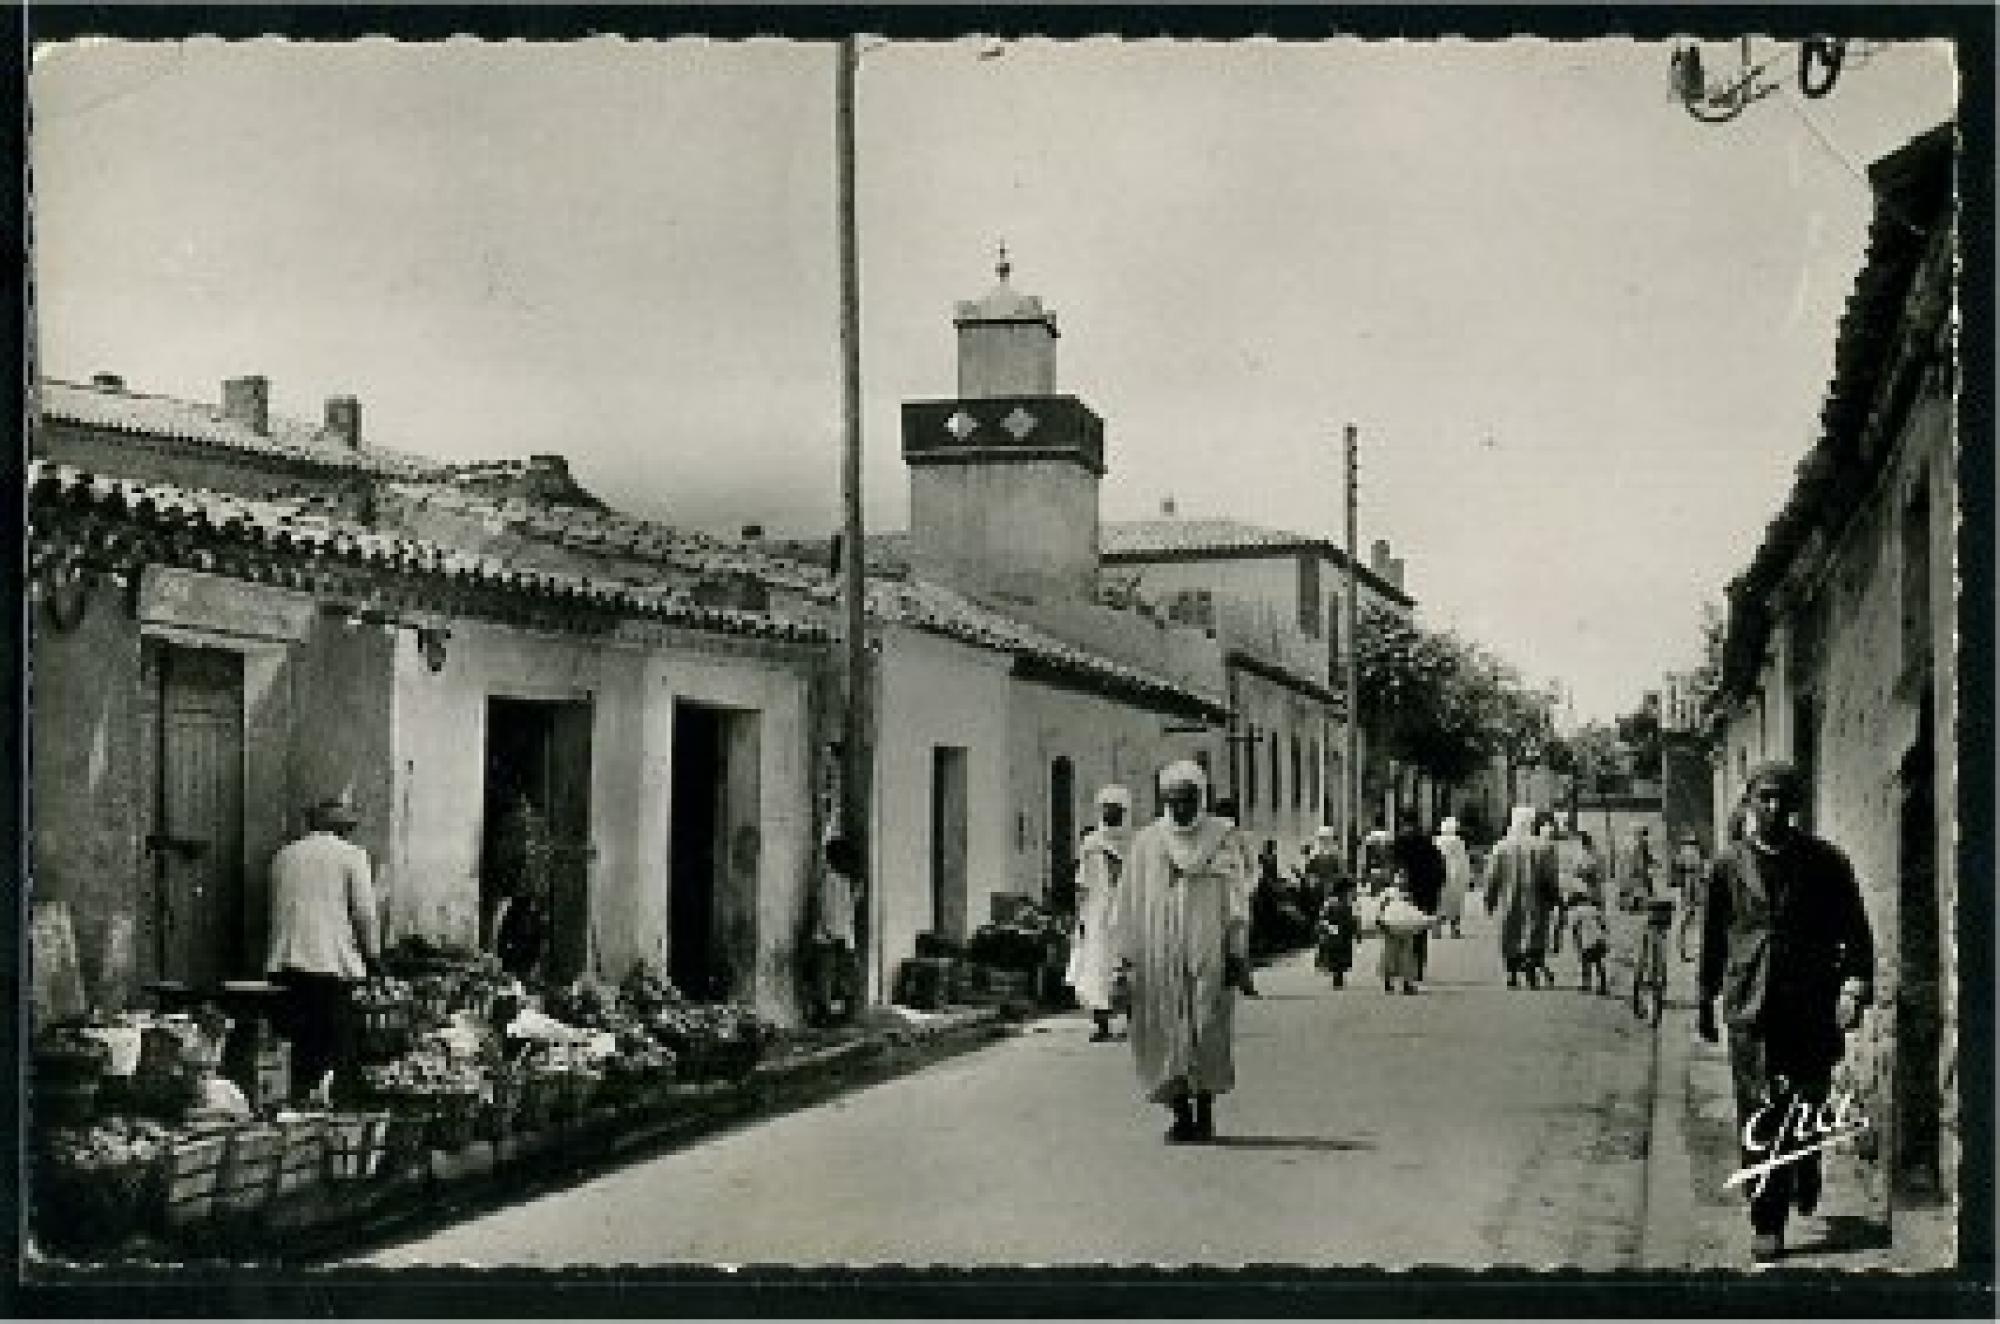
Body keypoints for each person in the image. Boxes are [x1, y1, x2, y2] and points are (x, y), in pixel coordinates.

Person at [1697, 762, 1874, 1265]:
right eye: (1765, 799)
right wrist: (1706, 999)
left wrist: (1853, 987)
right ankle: (1767, 1221)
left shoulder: (1826, 863)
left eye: (1783, 800)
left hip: (1810, 1006)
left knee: (1806, 1103)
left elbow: (1857, 936)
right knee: (1758, 1111)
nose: (1774, 809)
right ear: (1750, 801)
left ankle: (1806, 1161)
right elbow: (1714, 939)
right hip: (1751, 1008)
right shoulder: (1727, 867)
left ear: (1796, 806)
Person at [1117, 760, 1250, 1144]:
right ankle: (1179, 1114)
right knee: (1163, 1027)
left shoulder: (1222, 837)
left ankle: (1205, 1111)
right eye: (1173, 800)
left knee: (1207, 1026)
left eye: (1188, 799)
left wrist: (1236, 951)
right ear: (1163, 800)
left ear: (1201, 797)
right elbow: (1128, 903)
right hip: (1158, 951)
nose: (1181, 809)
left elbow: (1237, 899)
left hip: (1208, 947)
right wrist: (1124, 958)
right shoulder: (1147, 842)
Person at [265, 793, 380, 1101]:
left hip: (285, 964)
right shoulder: (352, 856)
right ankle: (330, 1110)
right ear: (343, 829)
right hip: (329, 966)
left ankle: (293, 1107)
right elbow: (365, 914)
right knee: (332, 1048)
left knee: (296, 1046)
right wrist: (373, 956)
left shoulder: (284, 856)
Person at [1066, 785, 1134, 1042]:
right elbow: (1082, 882)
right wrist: (1079, 915)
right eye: (1106, 809)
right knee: (1095, 966)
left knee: (1126, 965)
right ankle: (1102, 1024)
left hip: (1126, 910)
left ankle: (1133, 1021)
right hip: (1095, 913)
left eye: (1115, 810)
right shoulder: (1091, 843)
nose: (1109, 814)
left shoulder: (1133, 843)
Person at [1483, 807, 1560, 989]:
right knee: (1534, 933)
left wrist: (1490, 899)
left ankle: (1511, 974)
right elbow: (1550, 876)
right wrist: (1555, 898)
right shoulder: (1544, 846)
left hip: (1509, 901)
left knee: (1510, 934)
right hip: (1537, 901)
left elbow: (1492, 877)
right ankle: (1531, 973)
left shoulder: (1501, 847)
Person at [485, 790, 555, 977]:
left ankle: (518, 969)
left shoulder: (520, 823)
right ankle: (517, 969)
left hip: (523, 889)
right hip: (523, 890)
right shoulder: (533, 824)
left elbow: (506, 854)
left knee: (523, 928)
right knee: (520, 927)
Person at [806, 834, 863, 1027]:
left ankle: (837, 1016)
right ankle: (825, 1015)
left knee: (843, 979)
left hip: (842, 938)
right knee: (827, 979)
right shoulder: (830, 880)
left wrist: (855, 894)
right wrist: (836, 936)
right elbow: (827, 911)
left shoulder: (844, 881)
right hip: (830, 939)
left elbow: (847, 911)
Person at [1390, 810, 1446, 984]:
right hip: (1425, 893)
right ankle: (1418, 966)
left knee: (1398, 929)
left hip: (1403, 892)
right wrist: (1437, 888)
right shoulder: (1427, 842)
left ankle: (1399, 967)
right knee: (1419, 930)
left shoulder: (1398, 842)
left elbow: (1391, 866)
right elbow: (1439, 866)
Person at [1433, 816, 1474, 939]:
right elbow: (1463, 861)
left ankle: (1437, 929)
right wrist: (1467, 877)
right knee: (1456, 904)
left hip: (1439, 876)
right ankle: (1454, 929)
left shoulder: (1436, 841)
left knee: (1439, 904)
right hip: (1455, 877)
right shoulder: (1458, 842)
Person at [1566, 887, 1610, 995]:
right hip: (1599, 939)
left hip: (1586, 939)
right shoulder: (1594, 909)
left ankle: (1586, 984)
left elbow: (1575, 928)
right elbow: (1603, 924)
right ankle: (1602, 986)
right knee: (1599, 963)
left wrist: (1577, 943)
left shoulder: (1575, 912)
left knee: (1585, 963)